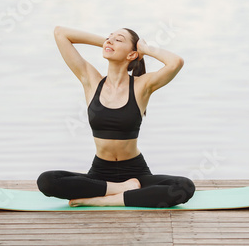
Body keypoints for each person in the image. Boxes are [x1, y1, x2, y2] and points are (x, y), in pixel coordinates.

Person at [37, 26, 195, 207]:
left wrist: (144, 49)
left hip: (136, 171)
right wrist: (107, 43)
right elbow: (60, 33)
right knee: (47, 180)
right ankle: (120, 190)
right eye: (109, 38)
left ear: (131, 55)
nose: (110, 40)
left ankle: (104, 200)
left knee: (184, 187)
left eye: (118, 39)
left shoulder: (142, 86)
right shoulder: (91, 81)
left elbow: (176, 62)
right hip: (100, 172)